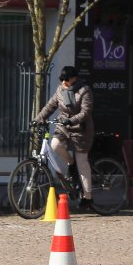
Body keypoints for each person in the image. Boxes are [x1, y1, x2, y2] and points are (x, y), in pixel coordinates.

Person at [36, 65, 95, 209]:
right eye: (62, 79)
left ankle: (87, 196)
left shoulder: (84, 91)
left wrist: (72, 120)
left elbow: (85, 112)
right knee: (55, 145)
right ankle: (71, 163)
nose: (63, 82)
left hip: (81, 130)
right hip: (64, 126)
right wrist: (38, 119)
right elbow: (50, 106)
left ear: (74, 78)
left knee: (82, 162)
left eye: (66, 79)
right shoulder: (60, 90)